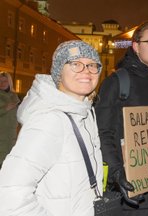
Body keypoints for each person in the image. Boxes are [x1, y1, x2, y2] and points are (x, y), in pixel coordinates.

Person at [0, 40, 103, 216]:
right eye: (76, 64)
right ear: (58, 72)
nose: (86, 70)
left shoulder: (83, 112)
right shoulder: (50, 120)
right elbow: (8, 196)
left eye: (92, 65)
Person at [95, 21, 148, 215]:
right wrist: (117, 173)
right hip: (133, 191)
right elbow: (102, 132)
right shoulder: (117, 81)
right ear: (136, 46)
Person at [0, 71, 20, 167]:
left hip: (11, 139)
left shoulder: (15, 97)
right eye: (0, 81)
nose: (2, 84)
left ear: (9, 82)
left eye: (5, 81)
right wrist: (5, 109)